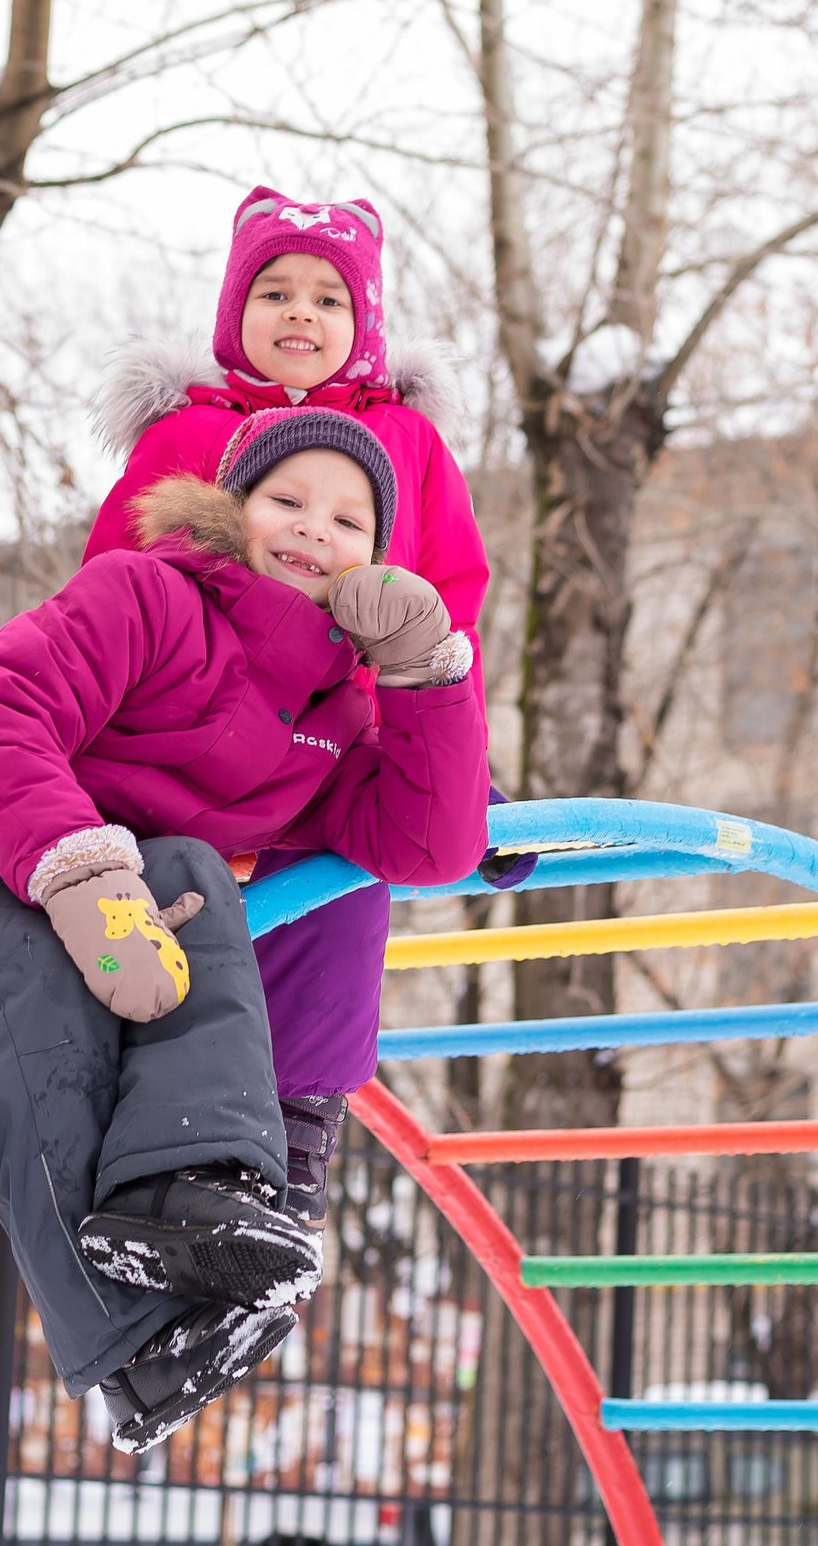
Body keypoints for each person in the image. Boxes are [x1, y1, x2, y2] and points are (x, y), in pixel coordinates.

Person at [0, 407, 490, 1451]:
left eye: (348, 520)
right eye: (286, 500)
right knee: (38, 997)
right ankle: (136, 1346)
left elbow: (428, 842)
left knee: (197, 876)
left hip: (121, 900)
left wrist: (425, 677)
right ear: (234, 511)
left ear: (379, 559)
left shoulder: (334, 708)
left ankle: (189, 1188)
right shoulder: (147, 594)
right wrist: (77, 868)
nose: (312, 529)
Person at [82, 185, 528, 1233]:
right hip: (197, 723)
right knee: (186, 907)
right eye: (273, 290)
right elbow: (117, 570)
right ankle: (167, 1144)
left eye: (329, 297)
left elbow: (446, 592)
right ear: (232, 312)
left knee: (340, 892)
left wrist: (450, 743)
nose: (300, 312)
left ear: (363, 324)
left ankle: (295, 1133)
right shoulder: (185, 433)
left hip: (344, 728)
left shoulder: (409, 445)